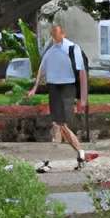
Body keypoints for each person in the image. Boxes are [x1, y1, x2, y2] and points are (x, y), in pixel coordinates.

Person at [36, 19, 91, 165]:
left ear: (63, 34)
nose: (54, 36)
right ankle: (79, 154)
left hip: (67, 88)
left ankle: (51, 159)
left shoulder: (73, 49)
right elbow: (43, 70)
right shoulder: (51, 51)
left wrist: (82, 98)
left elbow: (82, 74)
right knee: (59, 125)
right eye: (52, 34)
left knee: (60, 125)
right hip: (54, 88)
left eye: (56, 33)